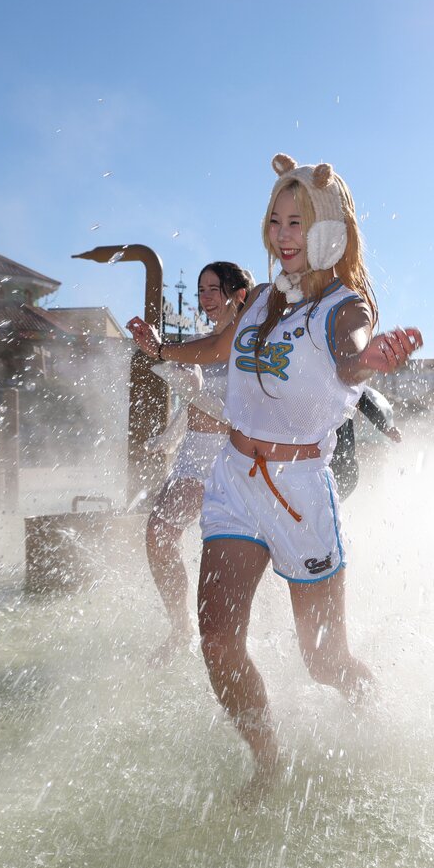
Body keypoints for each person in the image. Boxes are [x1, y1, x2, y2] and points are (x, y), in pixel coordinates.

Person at [125, 154, 423, 796]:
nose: (284, 235)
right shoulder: (259, 299)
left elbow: (350, 360)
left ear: (328, 232)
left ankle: (384, 726)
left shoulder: (345, 306)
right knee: (218, 641)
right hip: (234, 481)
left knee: (324, 661)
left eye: (300, 222)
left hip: (298, 494)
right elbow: (220, 348)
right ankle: (267, 764)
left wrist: (371, 359)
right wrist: (163, 351)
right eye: (277, 221)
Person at [143, 261, 253, 666]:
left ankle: (234, 641)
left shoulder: (251, 345)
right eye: (200, 290)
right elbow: (192, 401)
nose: (204, 298)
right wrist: (169, 438)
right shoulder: (198, 342)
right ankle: (180, 626)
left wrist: (190, 388)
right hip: (192, 454)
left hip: (228, 460)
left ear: (237, 294)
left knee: (220, 558)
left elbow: (240, 416)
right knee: (158, 535)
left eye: (212, 289)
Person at [331, 387, 402, 501]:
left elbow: (364, 403)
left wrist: (385, 428)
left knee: (353, 478)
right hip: (329, 454)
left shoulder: (353, 386)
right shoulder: (324, 381)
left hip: (345, 453)